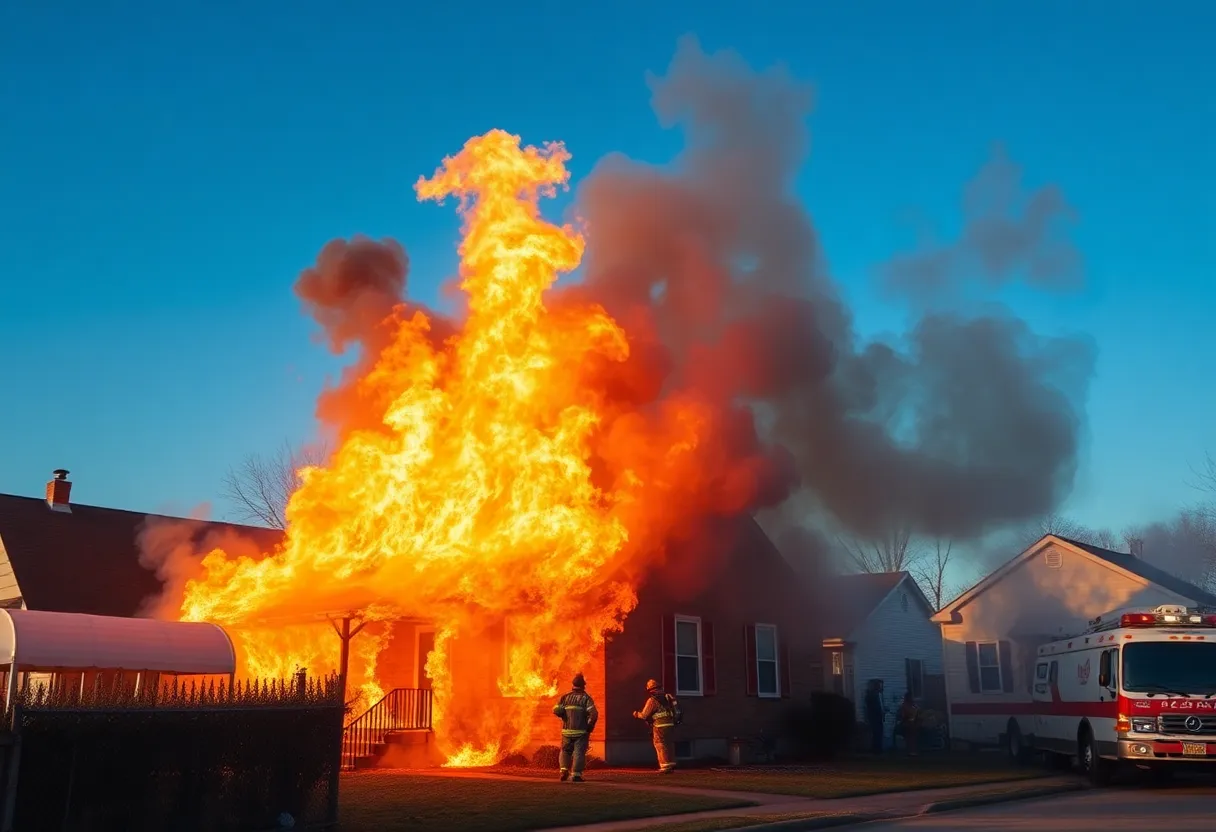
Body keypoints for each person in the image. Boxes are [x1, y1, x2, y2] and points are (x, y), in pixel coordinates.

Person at [552, 673, 598, 781]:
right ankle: (576, 775)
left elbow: (556, 710)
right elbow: (594, 714)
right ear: (583, 685)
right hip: (581, 732)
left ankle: (564, 771)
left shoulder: (565, 697)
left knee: (565, 751)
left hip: (566, 731)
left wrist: (563, 715)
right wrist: (590, 726)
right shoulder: (586, 698)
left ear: (573, 685)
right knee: (579, 752)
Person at [633, 679, 678, 773]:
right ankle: (671, 764)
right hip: (670, 725)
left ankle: (665, 766)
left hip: (659, 726)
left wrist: (636, 714)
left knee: (660, 744)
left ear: (650, 689)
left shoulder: (652, 700)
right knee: (669, 743)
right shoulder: (668, 698)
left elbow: (644, 715)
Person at [864, 679, 886, 754]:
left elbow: (880, 705)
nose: (881, 688)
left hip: (879, 717)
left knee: (878, 732)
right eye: (879, 686)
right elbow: (872, 706)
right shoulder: (873, 695)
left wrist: (883, 710)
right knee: (876, 732)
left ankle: (877, 748)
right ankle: (876, 749)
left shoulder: (878, 695)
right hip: (875, 717)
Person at [896, 691, 920, 756]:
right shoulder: (904, 706)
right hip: (906, 724)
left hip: (913, 723)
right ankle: (910, 750)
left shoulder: (913, 705)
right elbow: (903, 716)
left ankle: (913, 750)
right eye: (910, 697)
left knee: (914, 734)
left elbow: (917, 711)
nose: (911, 698)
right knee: (910, 734)